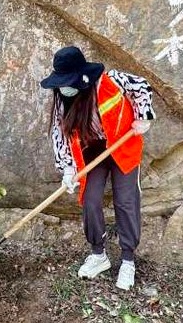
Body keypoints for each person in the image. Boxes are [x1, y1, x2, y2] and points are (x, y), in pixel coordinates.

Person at [40, 46, 155, 290]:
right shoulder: (64, 101)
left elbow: (141, 86)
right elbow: (58, 134)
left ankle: (127, 260)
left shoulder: (110, 82)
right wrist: (68, 169)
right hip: (93, 152)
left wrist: (142, 115)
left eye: (67, 82)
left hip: (122, 146)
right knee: (90, 199)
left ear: (81, 78)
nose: (63, 88)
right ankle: (98, 255)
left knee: (125, 200)